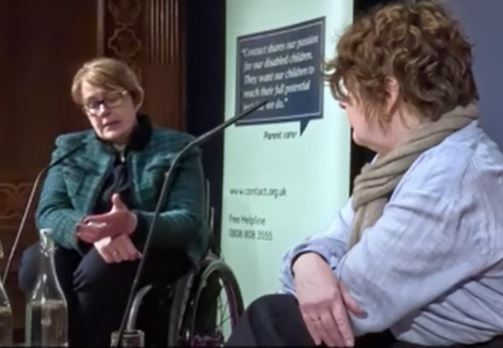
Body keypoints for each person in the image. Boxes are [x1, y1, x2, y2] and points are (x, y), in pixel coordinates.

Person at [226, 1, 503, 347]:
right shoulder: (392, 164)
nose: (342, 104)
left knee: (271, 320)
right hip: (397, 335)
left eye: (348, 90)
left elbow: (352, 302)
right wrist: (306, 261)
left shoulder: (453, 176)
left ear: (388, 94)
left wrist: (310, 271)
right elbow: (330, 244)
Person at [18, 57, 209, 347]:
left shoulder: (179, 147)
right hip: (87, 244)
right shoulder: (69, 147)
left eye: (113, 98)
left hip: (154, 245)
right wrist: (87, 231)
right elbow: (49, 212)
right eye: (93, 104)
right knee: (36, 262)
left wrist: (132, 222)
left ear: (134, 97)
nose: (103, 111)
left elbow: (189, 220)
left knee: (99, 272)